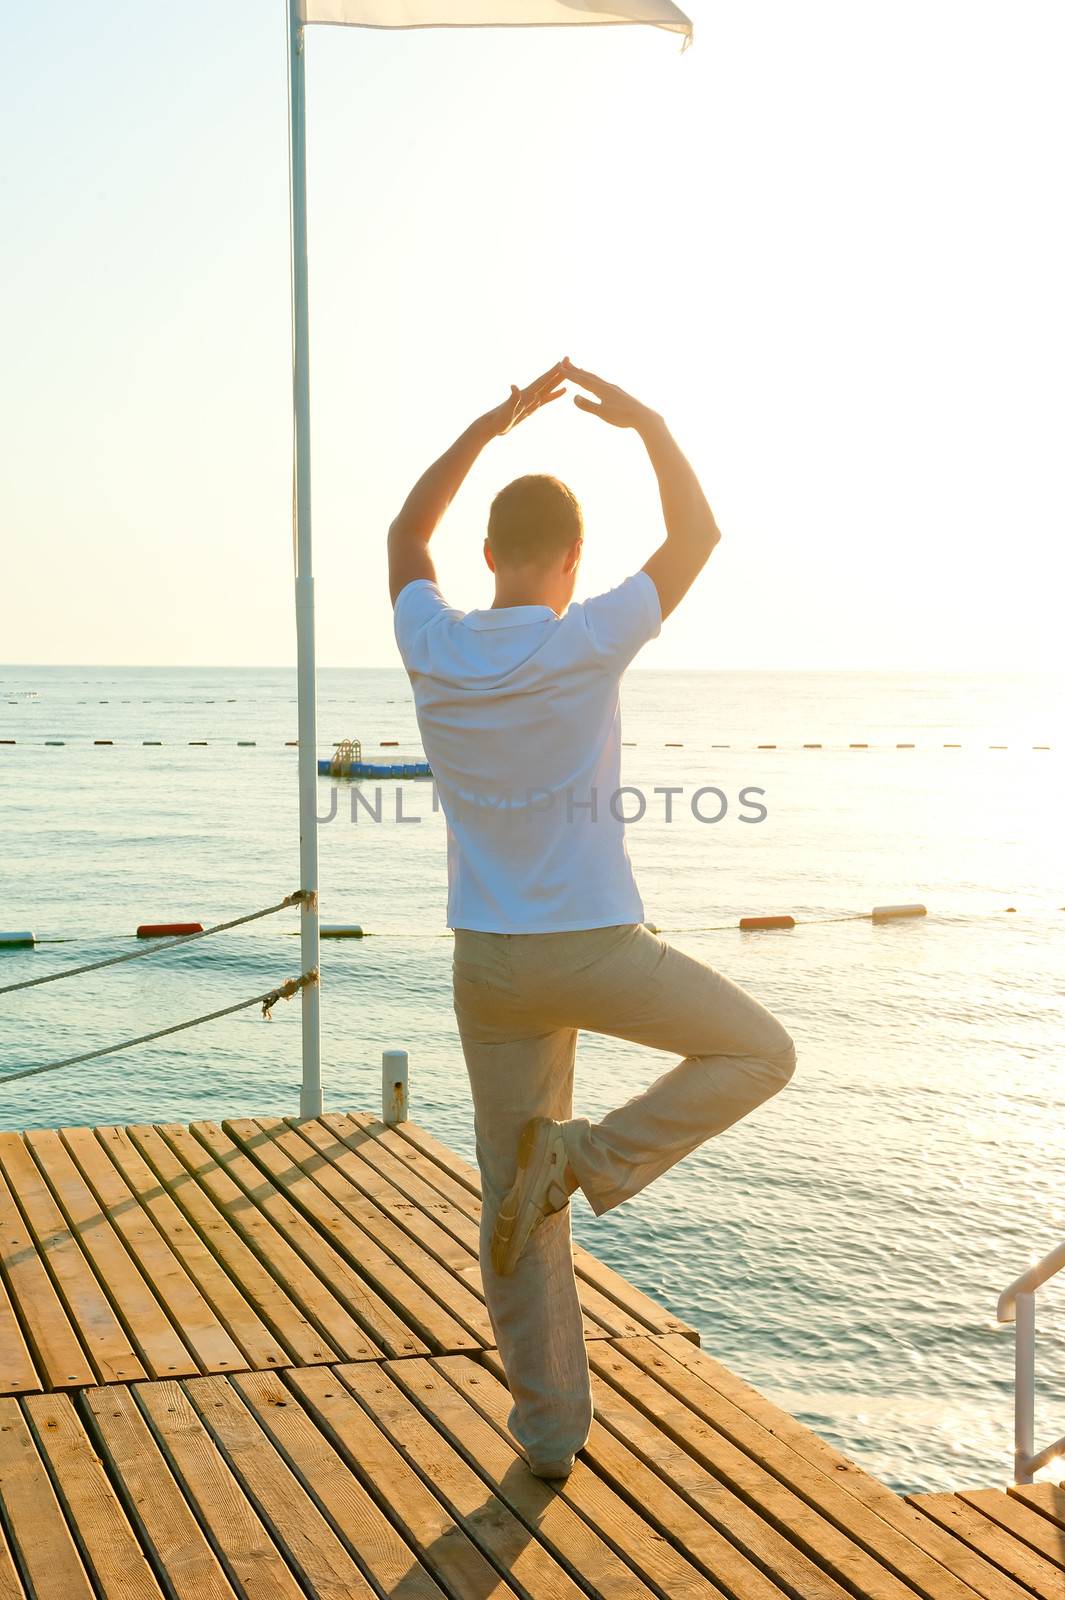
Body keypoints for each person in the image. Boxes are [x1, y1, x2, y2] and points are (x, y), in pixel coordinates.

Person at [388, 357, 797, 1481]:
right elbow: (698, 535)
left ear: (487, 556)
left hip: (491, 968)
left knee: (507, 1196)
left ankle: (549, 1433)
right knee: (760, 1050)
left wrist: (484, 423)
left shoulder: (432, 639)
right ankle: (589, 1157)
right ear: (572, 563)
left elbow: (401, 536)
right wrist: (651, 423)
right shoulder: (585, 634)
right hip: (599, 950)